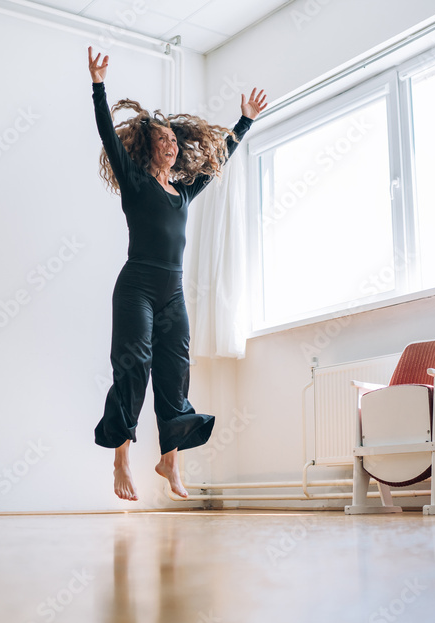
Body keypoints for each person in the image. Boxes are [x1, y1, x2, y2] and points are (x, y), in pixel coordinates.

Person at [88, 47, 267, 501]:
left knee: (176, 373)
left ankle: (170, 460)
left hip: (172, 292)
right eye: (163, 141)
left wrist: (243, 122)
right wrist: (98, 87)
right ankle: (121, 459)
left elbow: (217, 160)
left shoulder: (182, 193)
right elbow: (109, 136)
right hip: (137, 288)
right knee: (134, 369)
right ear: (150, 148)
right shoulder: (136, 183)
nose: (171, 146)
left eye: (173, 141)